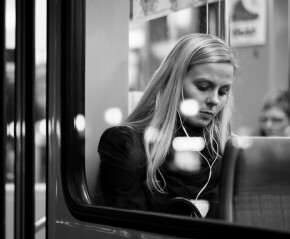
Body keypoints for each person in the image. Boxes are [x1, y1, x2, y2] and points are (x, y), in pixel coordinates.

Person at [97, 33, 238, 219]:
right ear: (174, 82)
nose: (213, 100)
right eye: (203, 87)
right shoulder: (128, 145)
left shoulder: (225, 150)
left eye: (223, 92)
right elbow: (132, 234)